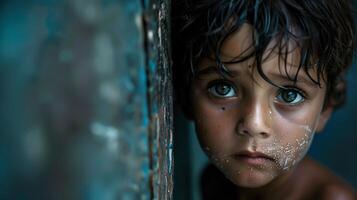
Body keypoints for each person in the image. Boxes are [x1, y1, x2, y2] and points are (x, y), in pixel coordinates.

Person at [172, 0, 357, 199]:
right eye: (223, 89)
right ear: (186, 95)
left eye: (289, 95)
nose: (254, 124)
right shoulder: (214, 182)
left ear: (325, 109)